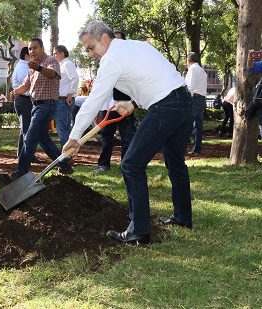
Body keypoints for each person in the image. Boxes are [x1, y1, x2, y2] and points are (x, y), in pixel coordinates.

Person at [63, 20, 192, 244]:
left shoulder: (111, 58)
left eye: (91, 47)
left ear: (104, 38)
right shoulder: (137, 46)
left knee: (131, 164)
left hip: (166, 106)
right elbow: (156, 78)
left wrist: (74, 136)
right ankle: (183, 218)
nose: (90, 53)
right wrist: (133, 103)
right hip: (182, 100)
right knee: (175, 162)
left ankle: (138, 231)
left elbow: (94, 100)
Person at [11, 38, 73, 178]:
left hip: (47, 105)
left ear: (42, 48)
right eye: (30, 49)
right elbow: (26, 86)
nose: (32, 51)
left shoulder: (51, 61)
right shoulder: (32, 67)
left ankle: (22, 172)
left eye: (35, 48)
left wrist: (38, 68)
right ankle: (64, 165)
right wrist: (14, 92)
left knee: (30, 137)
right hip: (35, 106)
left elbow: (52, 74)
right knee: (43, 139)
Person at [94, 30, 136, 173]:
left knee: (127, 137)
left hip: (125, 105)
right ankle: (103, 164)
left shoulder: (129, 61)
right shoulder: (104, 60)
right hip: (108, 106)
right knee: (106, 136)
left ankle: (127, 165)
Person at [11, 47, 45, 164]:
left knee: (26, 129)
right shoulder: (23, 67)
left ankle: (25, 155)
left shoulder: (23, 66)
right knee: (27, 130)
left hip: (24, 99)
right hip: (24, 100)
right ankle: (25, 157)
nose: (35, 55)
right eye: (32, 53)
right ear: (27, 55)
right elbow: (27, 85)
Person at [52, 45, 79, 149]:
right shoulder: (62, 64)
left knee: (62, 129)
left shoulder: (67, 64)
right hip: (61, 100)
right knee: (64, 129)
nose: (54, 55)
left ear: (62, 53)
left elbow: (75, 78)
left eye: (55, 53)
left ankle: (66, 157)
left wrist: (70, 94)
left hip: (64, 100)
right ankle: (68, 155)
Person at [186, 52, 207, 155]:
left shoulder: (192, 69)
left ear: (189, 60)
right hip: (202, 99)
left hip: (194, 99)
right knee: (198, 126)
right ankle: (197, 149)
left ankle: (182, 148)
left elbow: (189, 86)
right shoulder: (202, 71)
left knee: (186, 124)